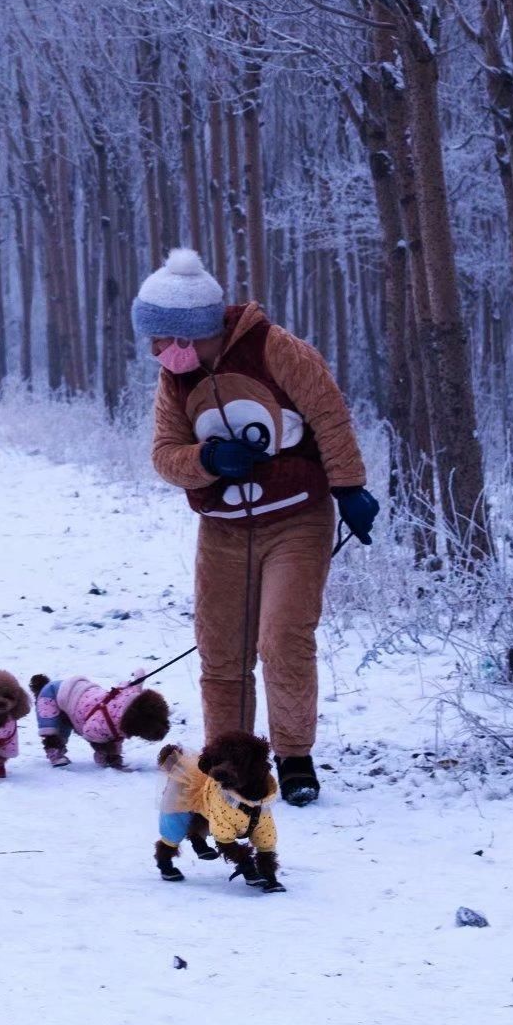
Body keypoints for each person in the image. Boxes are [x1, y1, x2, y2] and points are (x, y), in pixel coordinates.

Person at [132, 248, 379, 806]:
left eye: (162, 339)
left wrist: (350, 488)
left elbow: (328, 414)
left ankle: (293, 758)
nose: (154, 351)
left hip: (295, 519)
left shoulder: (276, 350)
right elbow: (164, 454)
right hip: (222, 530)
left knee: (283, 638)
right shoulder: (175, 381)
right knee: (220, 650)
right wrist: (208, 460)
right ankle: (228, 759)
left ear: (193, 331)